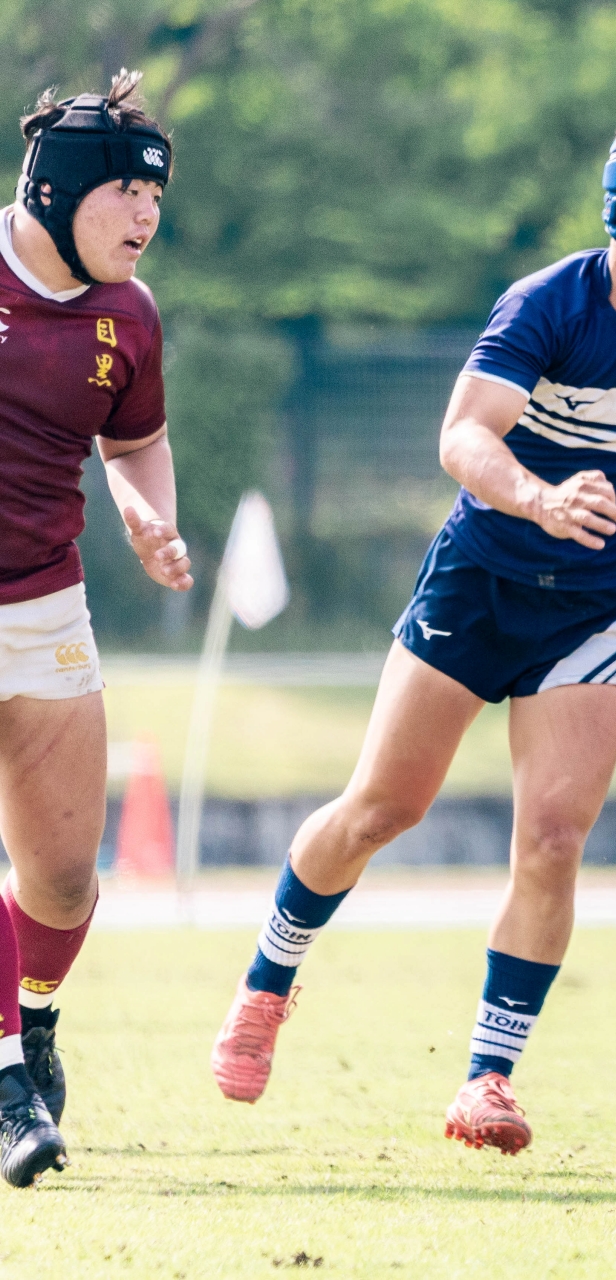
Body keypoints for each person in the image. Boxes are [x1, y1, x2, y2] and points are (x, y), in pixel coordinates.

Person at [209, 113, 616, 1157]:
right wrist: (541, 498)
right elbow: (462, 433)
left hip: (594, 608)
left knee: (552, 839)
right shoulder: (551, 301)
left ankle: (488, 1077)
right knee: (380, 807)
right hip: (481, 583)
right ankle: (268, 980)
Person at [0, 70, 187, 1187]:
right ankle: (8, 1075)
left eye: (155, 198)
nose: (146, 217)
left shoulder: (132, 313)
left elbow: (132, 442)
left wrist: (148, 517)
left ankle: (34, 1010)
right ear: (59, 190)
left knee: (64, 878)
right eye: (125, 194)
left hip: (44, 600)